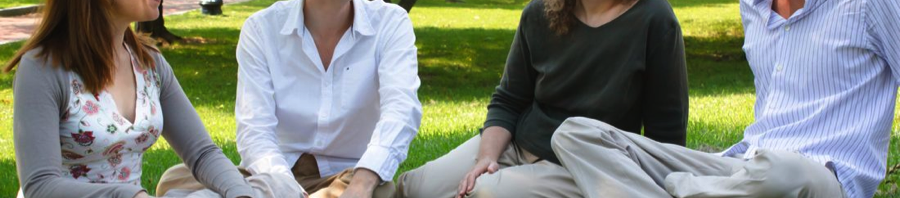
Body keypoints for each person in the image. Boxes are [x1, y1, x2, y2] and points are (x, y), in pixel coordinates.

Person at [456, 0, 899, 197]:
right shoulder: (755, 8)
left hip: (821, 177)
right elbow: (509, 97)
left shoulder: (868, 4)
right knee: (574, 134)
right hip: (737, 166)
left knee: (782, 168)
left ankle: (673, 192)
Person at [396, 0, 689, 196]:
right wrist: (487, 158)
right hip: (518, 144)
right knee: (416, 188)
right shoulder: (540, 12)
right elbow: (508, 100)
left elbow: (666, 137)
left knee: (486, 193)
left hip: (580, 164)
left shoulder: (656, 18)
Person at [155, 0, 422, 197]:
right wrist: (286, 188)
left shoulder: (390, 23)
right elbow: (255, 132)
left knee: (380, 192)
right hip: (272, 175)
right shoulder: (261, 29)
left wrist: (363, 183)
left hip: (348, 176)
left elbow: (401, 110)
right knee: (177, 182)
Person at [5, 0, 255, 197]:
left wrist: (240, 194)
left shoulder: (150, 62)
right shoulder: (43, 68)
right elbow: (40, 186)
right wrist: (128, 195)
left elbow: (202, 153)